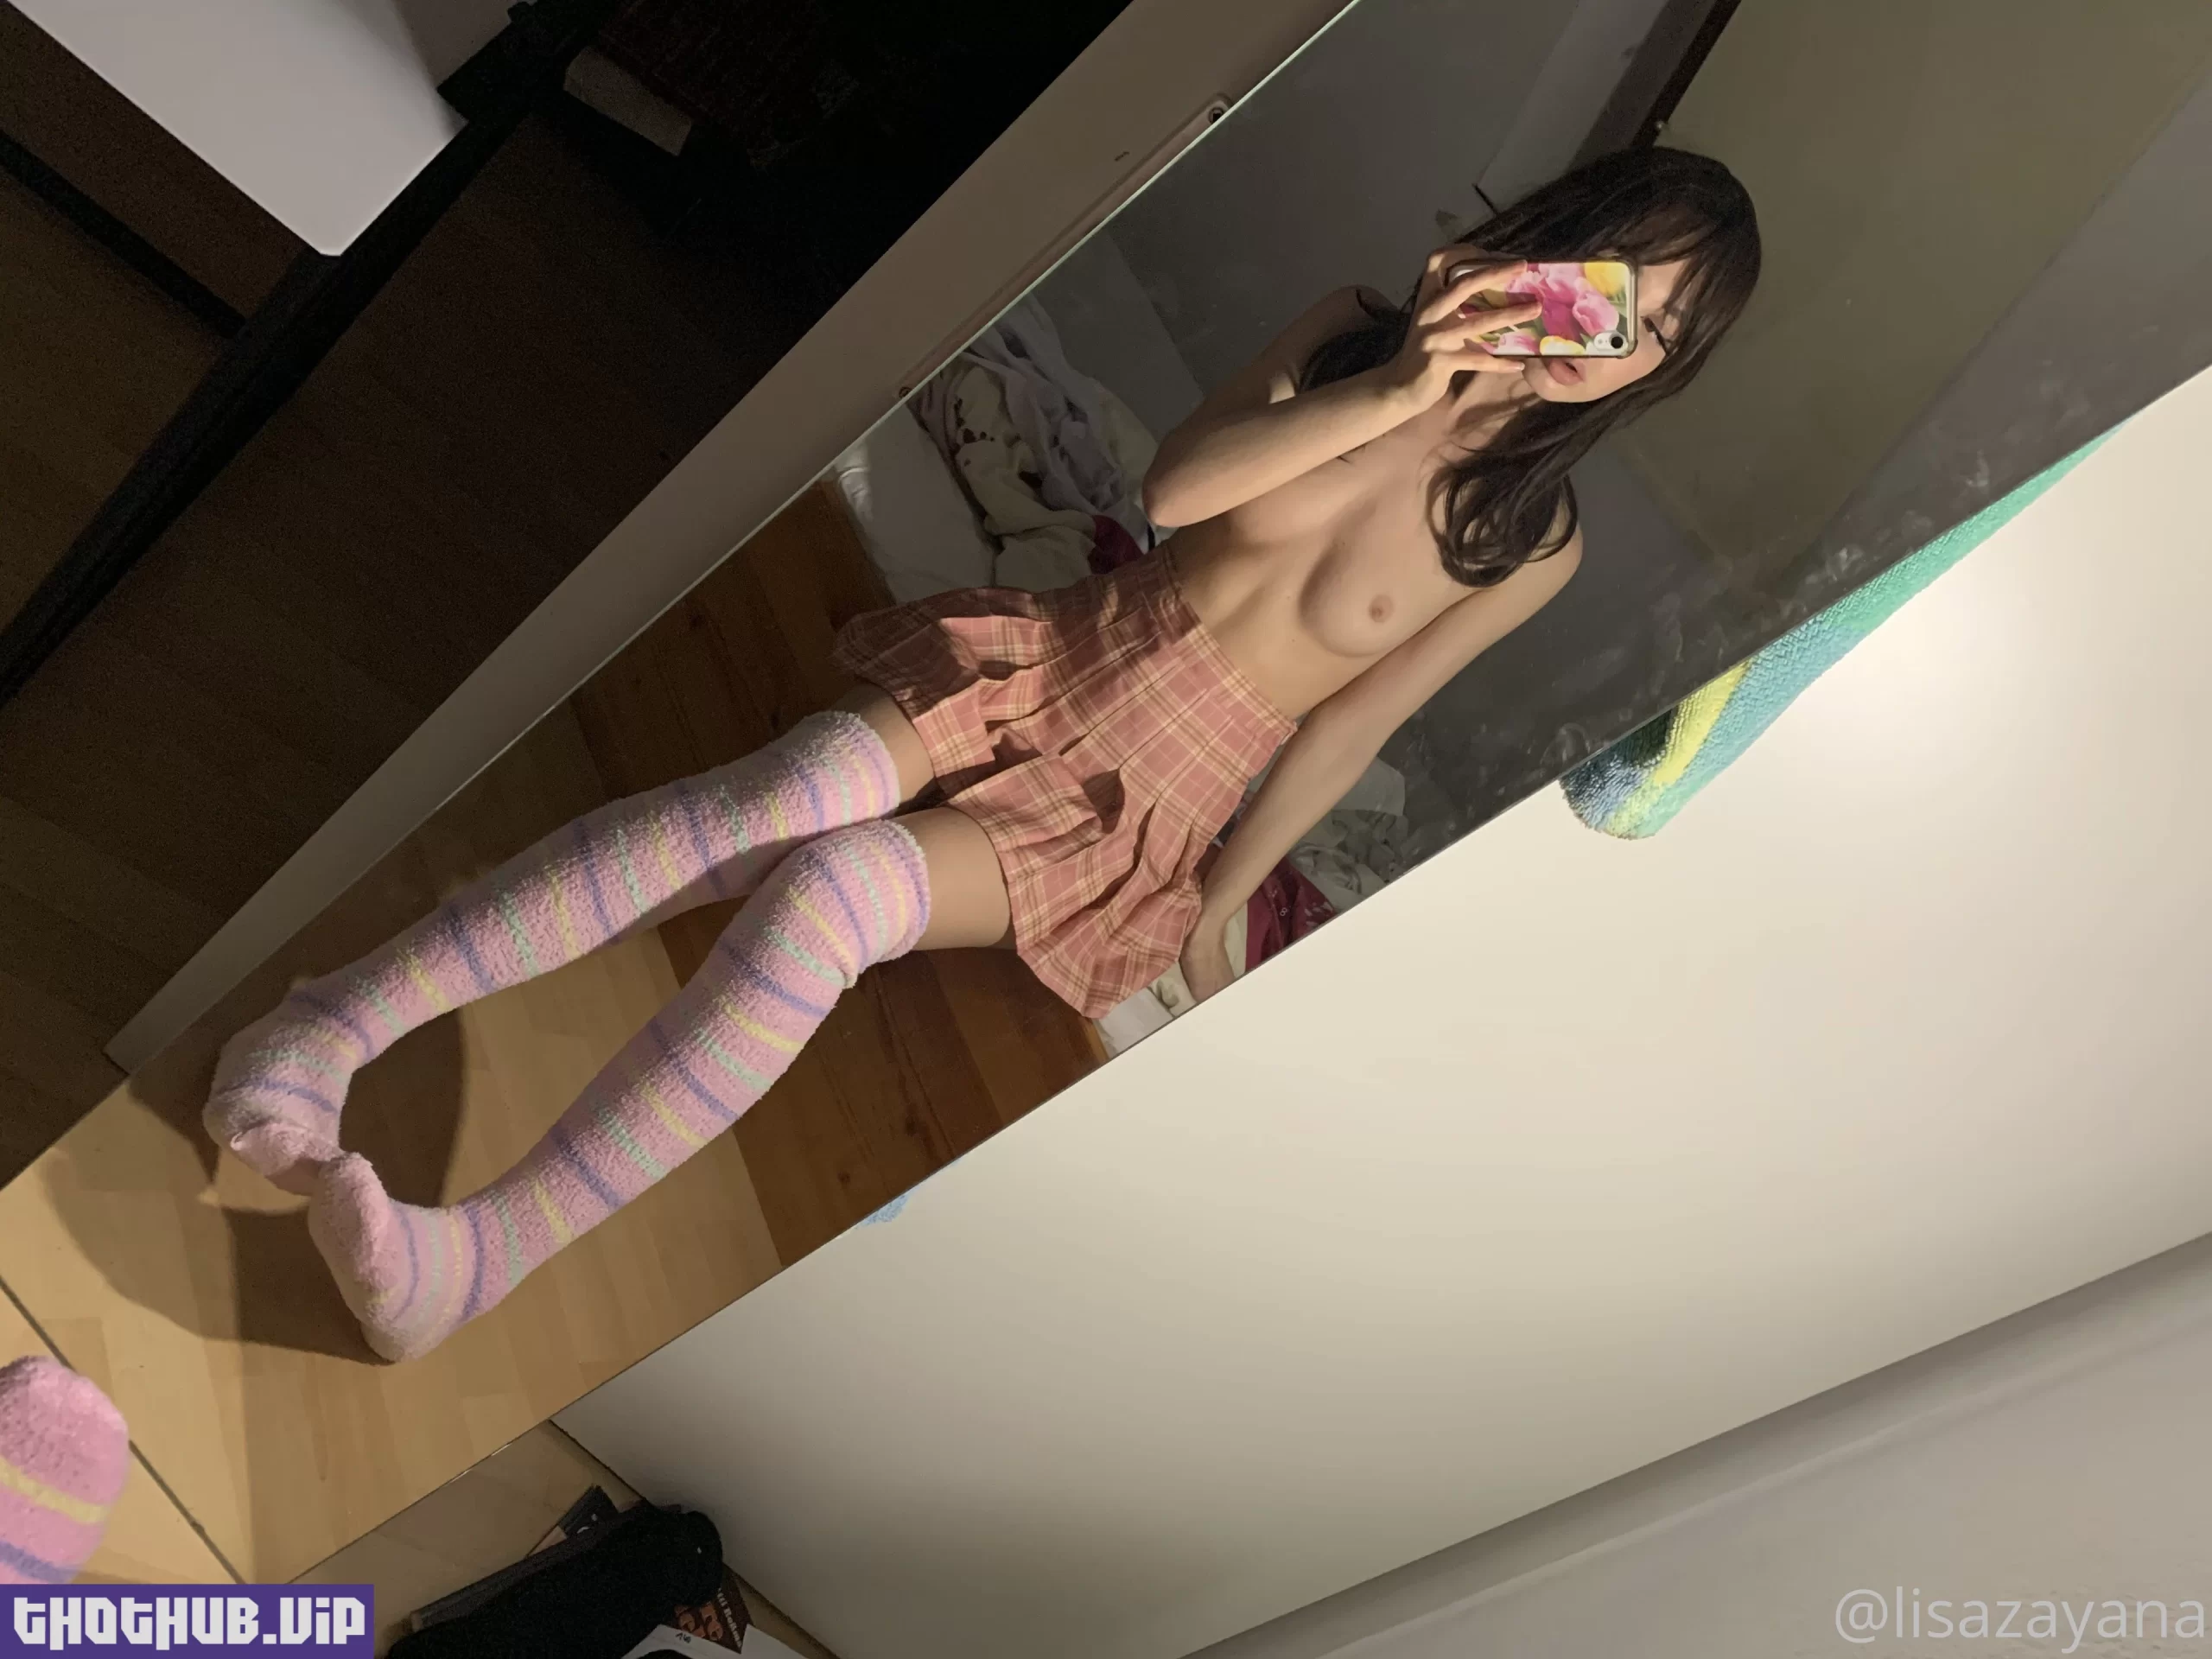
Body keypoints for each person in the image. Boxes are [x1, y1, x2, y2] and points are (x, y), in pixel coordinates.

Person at [206, 148, 1761, 1362]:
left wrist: (1216, 905)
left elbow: (1352, 725)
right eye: (1614, 281)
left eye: (1662, 334)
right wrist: (1400, 385)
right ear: (1557, 247)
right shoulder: (1353, 329)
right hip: (1070, 652)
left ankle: (480, 1261)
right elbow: (1178, 492)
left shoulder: (1531, 538)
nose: (1613, 336)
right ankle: (335, 1021)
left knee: (827, 900)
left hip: (1144, 798)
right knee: (790, 791)